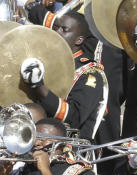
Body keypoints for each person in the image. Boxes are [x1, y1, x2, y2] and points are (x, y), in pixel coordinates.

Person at [22, 12, 108, 141]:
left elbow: (74, 118)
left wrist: (39, 87)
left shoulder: (90, 73)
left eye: (64, 29)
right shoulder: (44, 63)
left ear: (79, 40)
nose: (57, 32)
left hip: (70, 151)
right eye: (55, 27)